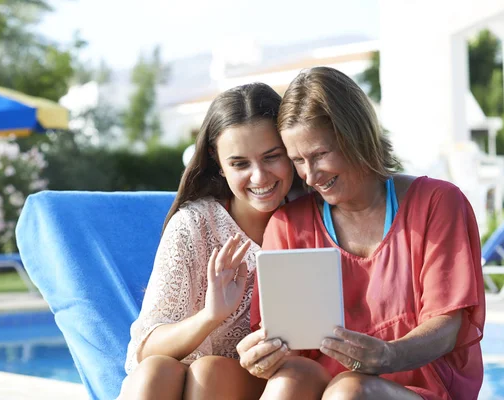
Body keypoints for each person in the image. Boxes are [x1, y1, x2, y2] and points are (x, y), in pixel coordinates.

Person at [238, 66, 486, 400]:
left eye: (320, 155)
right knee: (288, 381)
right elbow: (288, 346)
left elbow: (448, 326)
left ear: (357, 137)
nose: (310, 176)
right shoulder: (288, 226)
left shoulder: (437, 203)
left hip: (422, 389)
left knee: (349, 391)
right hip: (324, 388)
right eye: (298, 160)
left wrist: (388, 355)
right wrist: (263, 359)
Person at [118, 82, 327, 399]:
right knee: (154, 370)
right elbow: (146, 348)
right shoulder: (194, 225)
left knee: (209, 371)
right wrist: (211, 315)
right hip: (175, 380)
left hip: (267, 382)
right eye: (240, 164)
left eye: (272, 156)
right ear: (217, 160)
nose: (260, 177)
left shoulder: (317, 221)